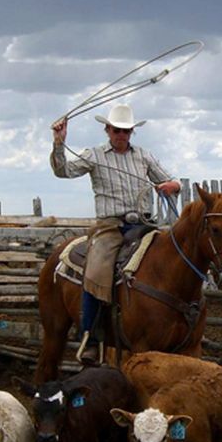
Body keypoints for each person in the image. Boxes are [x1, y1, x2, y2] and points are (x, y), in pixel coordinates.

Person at [50, 104, 181, 363]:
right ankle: (91, 335)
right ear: (107, 130)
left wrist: (170, 185)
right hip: (110, 226)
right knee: (96, 269)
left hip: (144, 224)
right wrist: (59, 143)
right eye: (117, 130)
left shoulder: (143, 156)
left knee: (172, 259)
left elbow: (173, 181)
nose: (122, 135)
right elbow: (63, 171)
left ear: (132, 132)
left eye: (126, 131)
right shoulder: (95, 155)